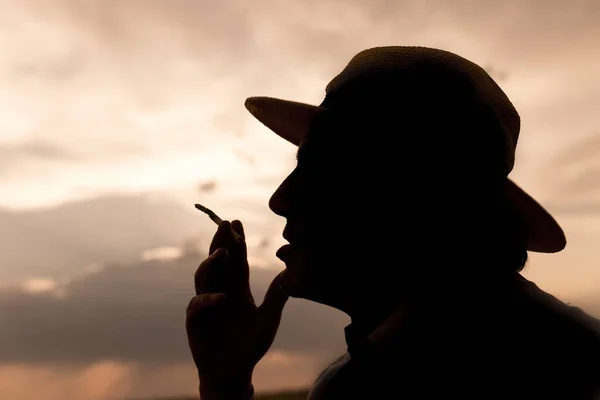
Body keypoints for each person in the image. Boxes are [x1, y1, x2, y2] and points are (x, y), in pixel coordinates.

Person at [186, 46, 600, 399]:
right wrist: (228, 378)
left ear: (419, 198)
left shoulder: (371, 384)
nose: (280, 200)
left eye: (324, 172)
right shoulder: (562, 350)